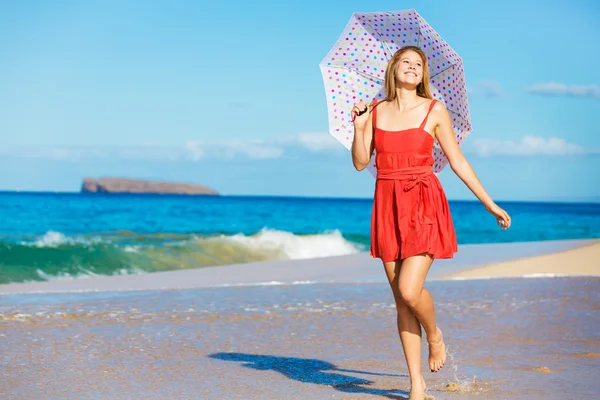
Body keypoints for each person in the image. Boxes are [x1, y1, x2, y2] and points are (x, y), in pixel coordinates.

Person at [350, 46, 511, 399]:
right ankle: (417, 386)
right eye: (406, 62)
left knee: (410, 289)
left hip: (422, 201)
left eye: (418, 64)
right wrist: (360, 128)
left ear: (424, 75)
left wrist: (490, 204)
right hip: (387, 203)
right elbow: (361, 163)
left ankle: (435, 336)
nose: (412, 67)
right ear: (393, 70)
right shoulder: (374, 111)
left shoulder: (434, 110)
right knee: (400, 301)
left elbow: (458, 162)